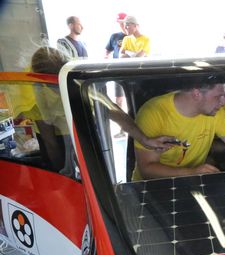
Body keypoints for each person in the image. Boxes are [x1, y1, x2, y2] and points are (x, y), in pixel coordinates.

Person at [30, 47, 175, 174]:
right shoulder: (36, 96)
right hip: (54, 133)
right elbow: (51, 143)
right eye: (57, 86)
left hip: (76, 123)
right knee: (63, 167)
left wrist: (145, 139)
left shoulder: (75, 80)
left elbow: (111, 109)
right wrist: (61, 177)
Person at [105, 12, 128, 111]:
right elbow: (107, 51)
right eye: (120, 23)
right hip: (118, 70)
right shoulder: (114, 36)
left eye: (123, 22)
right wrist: (106, 57)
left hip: (132, 70)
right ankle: (122, 122)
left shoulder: (135, 37)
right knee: (119, 98)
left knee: (132, 95)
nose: (122, 25)